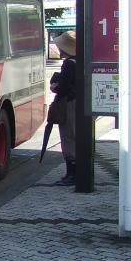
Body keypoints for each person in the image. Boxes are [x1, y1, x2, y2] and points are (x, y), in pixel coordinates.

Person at [50, 30, 77, 186]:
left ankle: (72, 174)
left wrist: (55, 87)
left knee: (68, 137)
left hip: (69, 104)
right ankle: (73, 173)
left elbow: (64, 87)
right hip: (78, 103)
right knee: (74, 136)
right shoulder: (80, 61)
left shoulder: (68, 64)